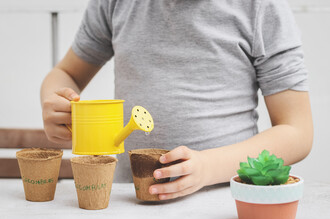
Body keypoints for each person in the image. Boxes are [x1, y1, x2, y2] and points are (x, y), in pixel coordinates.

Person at [40, 0, 313, 200]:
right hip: (129, 201)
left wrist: (208, 167)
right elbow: (66, 74)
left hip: (225, 205)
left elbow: (297, 132)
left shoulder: (261, 7)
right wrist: (55, 101)